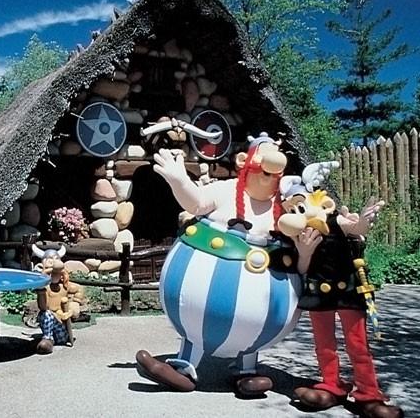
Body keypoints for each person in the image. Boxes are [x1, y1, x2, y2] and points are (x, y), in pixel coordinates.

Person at [136, 133, 312, 396]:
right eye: (264, 154)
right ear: (243, 160)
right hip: (199, 297)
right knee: (196, 329)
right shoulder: (226, 190)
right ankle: (183, 368)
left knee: (252, 338)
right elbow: (196, 203)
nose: (273, 162)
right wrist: (179, 180)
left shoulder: (285, 207)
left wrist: (306, 250)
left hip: (267, 301)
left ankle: (246, 372)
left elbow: (302, 250)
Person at [278, 189, 403, 418]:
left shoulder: (336, 221)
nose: (296, 212)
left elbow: (358, 229)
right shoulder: (297, 234)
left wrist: (364, 219)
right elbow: (301, 269)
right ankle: (331, 384)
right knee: (324, 344)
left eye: (300, 206)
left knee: (358, 344)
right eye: (292, 209)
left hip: (348, 292)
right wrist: (304, 252)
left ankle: (368, 393)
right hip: (318, 293)